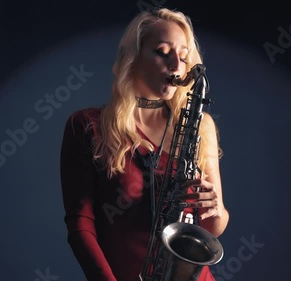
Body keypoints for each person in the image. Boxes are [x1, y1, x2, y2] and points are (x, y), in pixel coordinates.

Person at [59, 7, 229, 281]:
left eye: (184, 57)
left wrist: (215, 208)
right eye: (162, 52)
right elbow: (81, 224)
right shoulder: (87, 125)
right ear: (133, 58)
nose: (176, 65)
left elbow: (212, 227)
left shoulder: (200, 124)